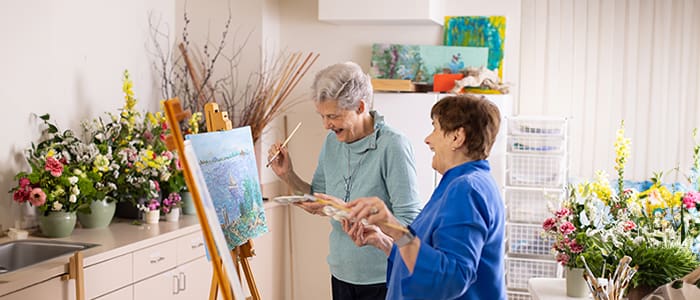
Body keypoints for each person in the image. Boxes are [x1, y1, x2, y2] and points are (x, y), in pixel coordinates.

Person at [267, 61, 423, 299]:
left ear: (360, 107)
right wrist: (287, 174)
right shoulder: (332, 143)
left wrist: (349, 212)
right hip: (341, 272)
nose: (326, 125)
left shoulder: (393, 146)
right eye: (322, 116)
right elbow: (319, 197)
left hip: (384, 277)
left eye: (333, 116)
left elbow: (410, 223)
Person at [345, 94, 506, 300]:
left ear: (457, 137)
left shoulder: (466, 189)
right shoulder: (466, 183)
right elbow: (433, 254)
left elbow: (452, 278)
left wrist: (393, 226)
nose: (428, 139)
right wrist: (384, 241)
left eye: (435, 128)